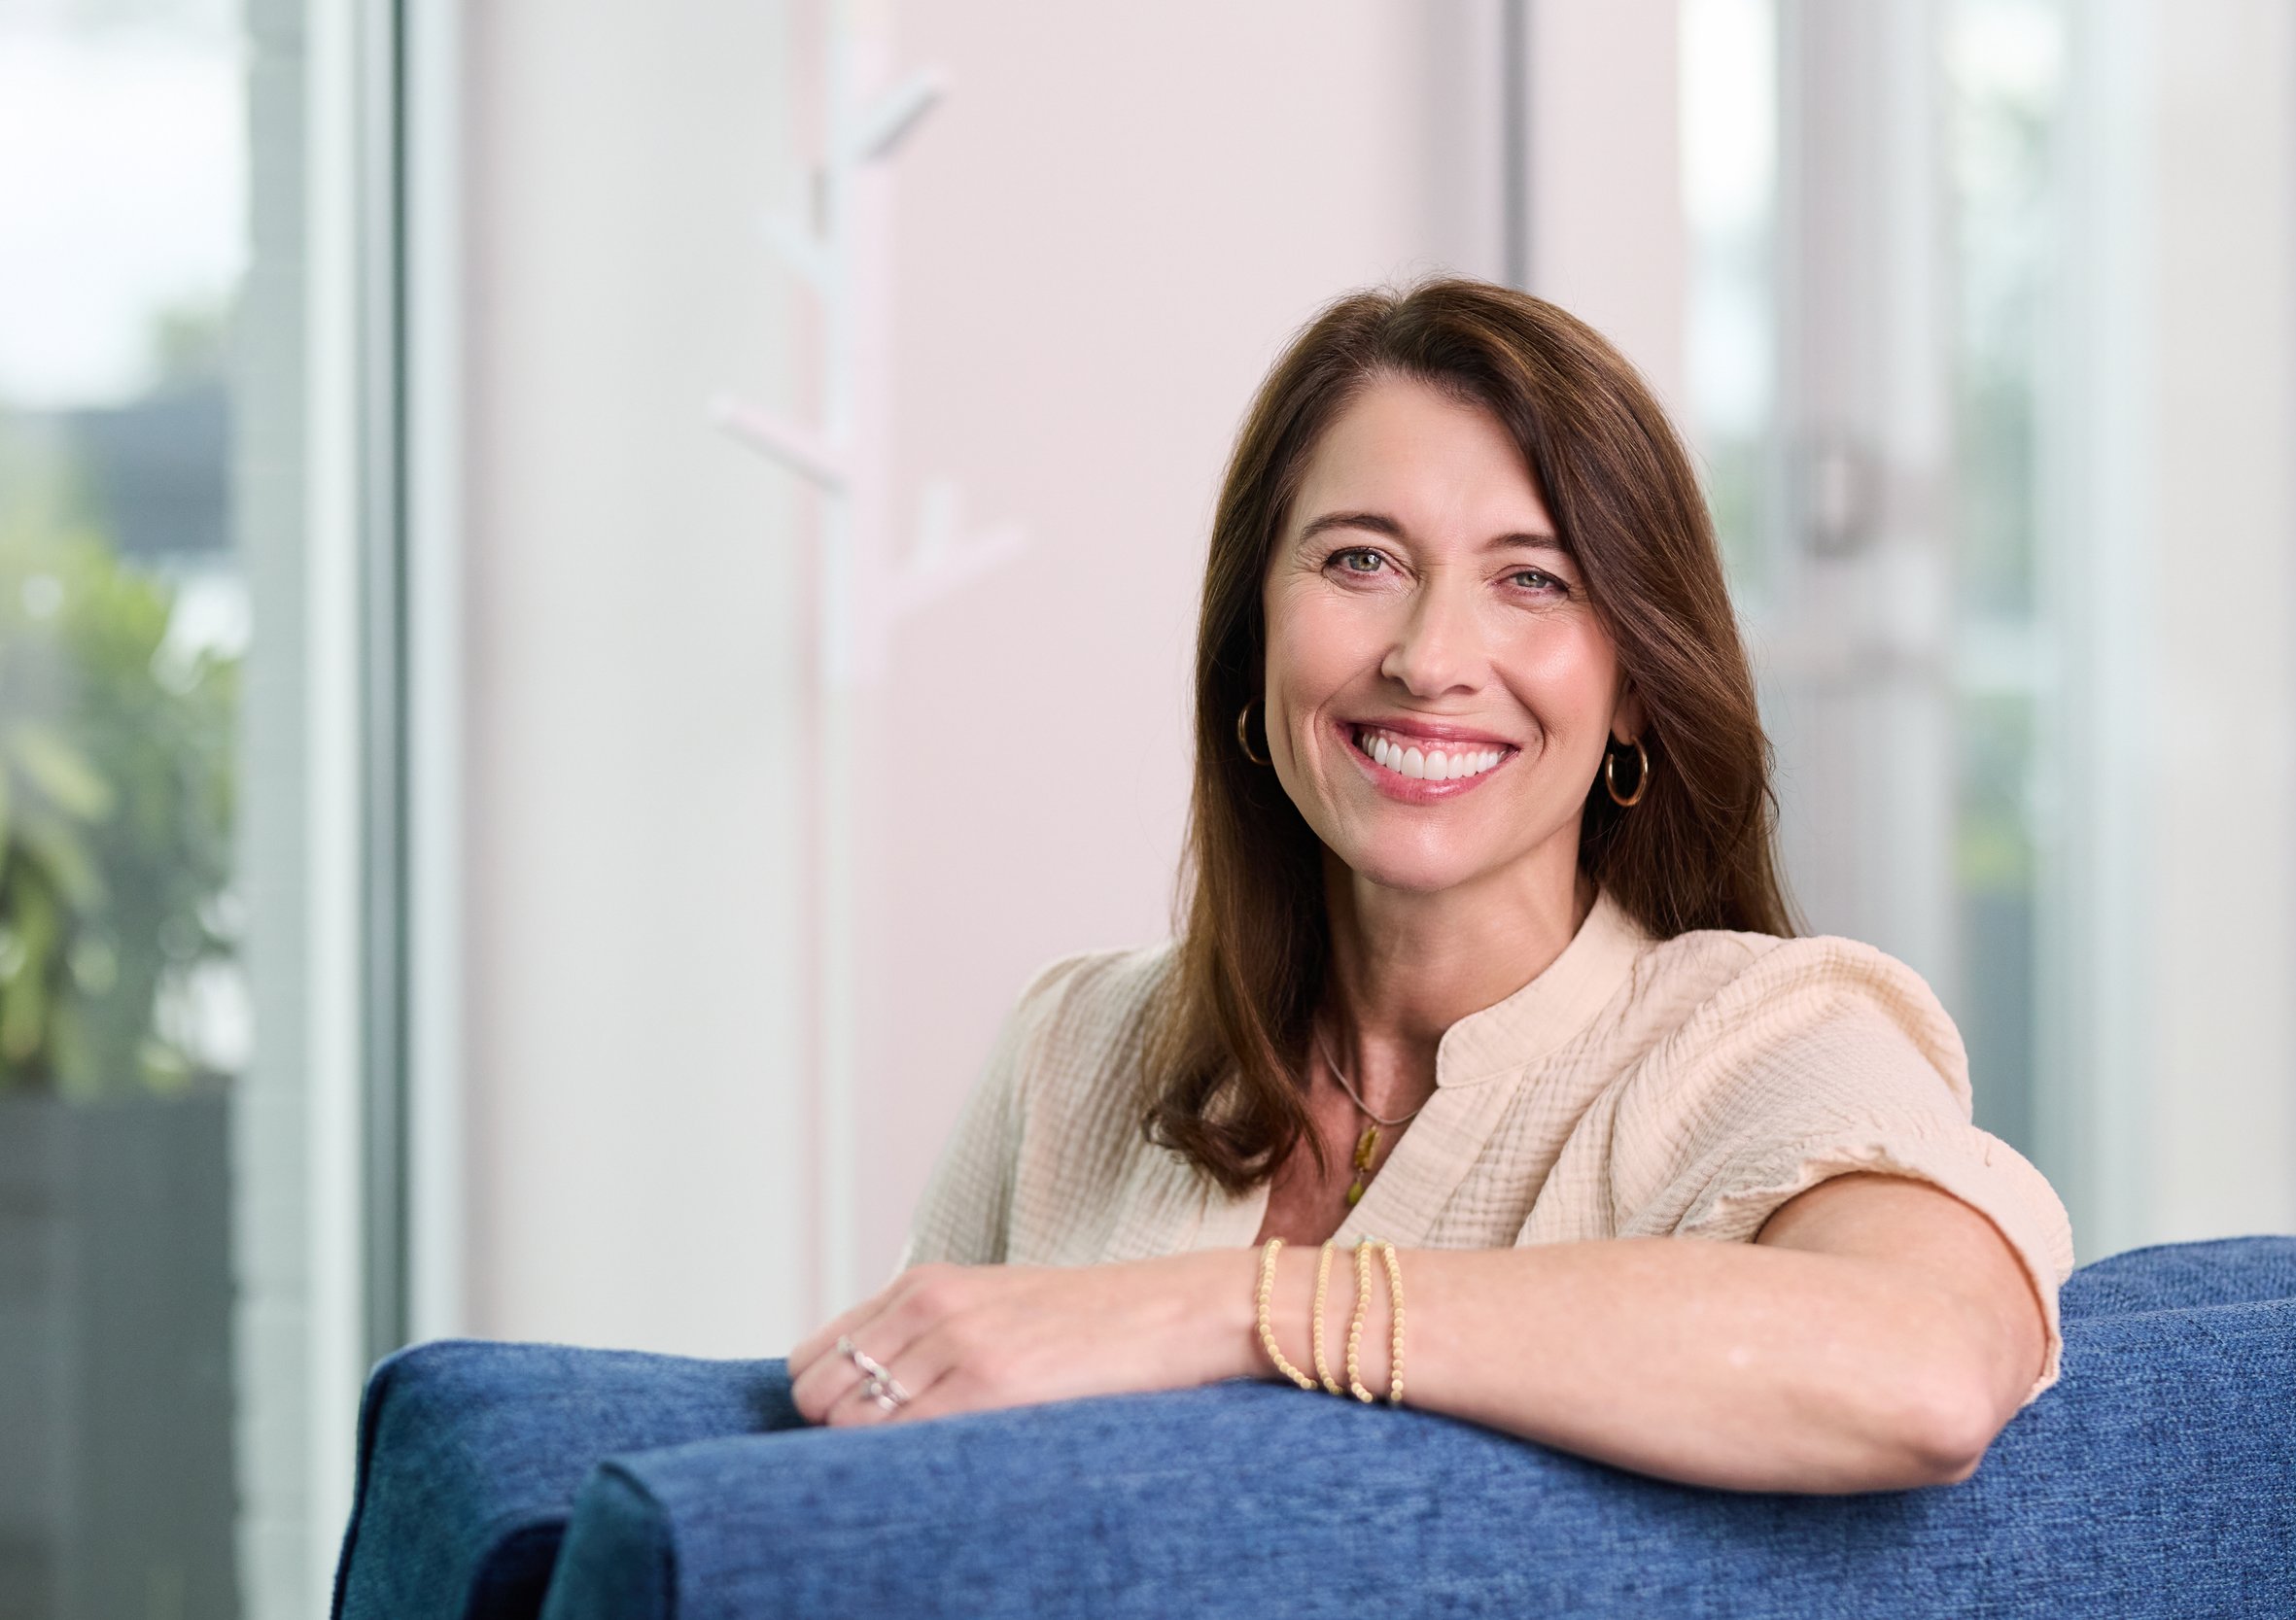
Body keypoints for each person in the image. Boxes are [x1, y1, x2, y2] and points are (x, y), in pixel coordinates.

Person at [783, 277, 2072, 1495]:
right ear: (1254, 642)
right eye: (1360, 562)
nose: (1429, 657)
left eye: (1533, 581)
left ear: (1633, 687)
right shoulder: (1074, 1047)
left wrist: (1234, 1314)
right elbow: (881, 1490)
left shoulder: (1765, 1035)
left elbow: (1929, 1368)